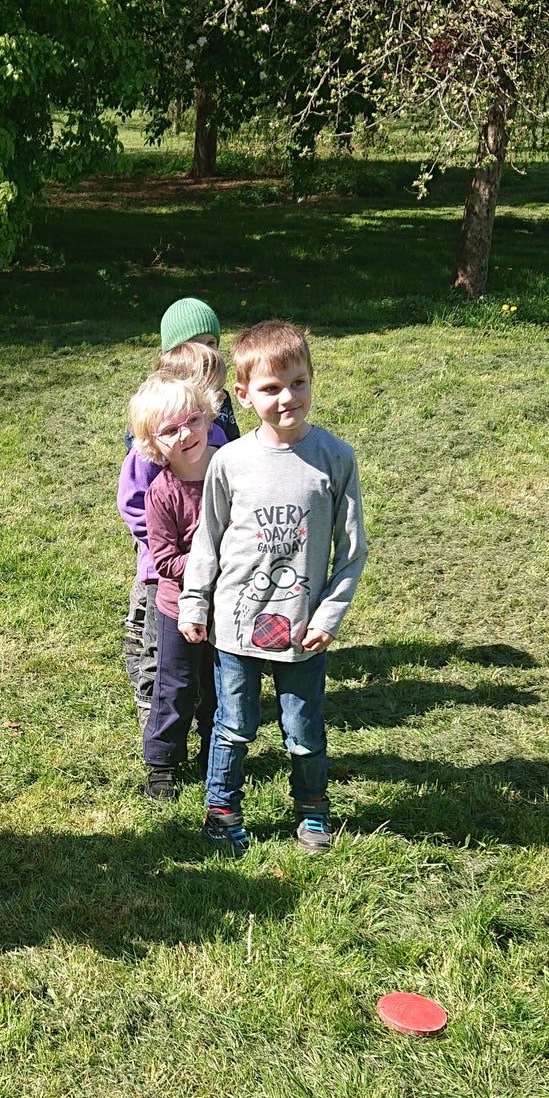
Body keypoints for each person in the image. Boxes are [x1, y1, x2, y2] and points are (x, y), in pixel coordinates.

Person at [178, 320, 367, 855]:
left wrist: (328, 617)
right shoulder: (230, 463)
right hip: (235, 629)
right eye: (270, 388)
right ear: (241, 394)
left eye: (299, 382)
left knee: (303, 732)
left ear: (312, 380)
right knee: (233, 727)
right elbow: (207, 542)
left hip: (303, 632)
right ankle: (221, 812)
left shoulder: (335, 459)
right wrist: (194, 602)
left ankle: (312, 813)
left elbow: (351, 553)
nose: (288, 397)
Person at [118, 299, 238, 729]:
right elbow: (133, 502)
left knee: (204, 644)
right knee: (156, 646)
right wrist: (158, 545)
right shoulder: (153, 437)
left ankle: (209, 712)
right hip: (162, 568)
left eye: (213, 346)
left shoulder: (219, 435)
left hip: (215, 565)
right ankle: (155, 716)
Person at [128, 370, 222, 802]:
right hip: (177, 609)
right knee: (176, 687)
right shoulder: (162, 492)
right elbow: (164, 560)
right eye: (171, 429)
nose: (186, 434)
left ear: (209, 415)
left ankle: (214, 752)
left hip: (229, 603)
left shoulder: (232, 467)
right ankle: (163, 763)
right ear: (152, 444)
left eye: (193, 420)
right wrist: (217, 562)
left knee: (221, 686)